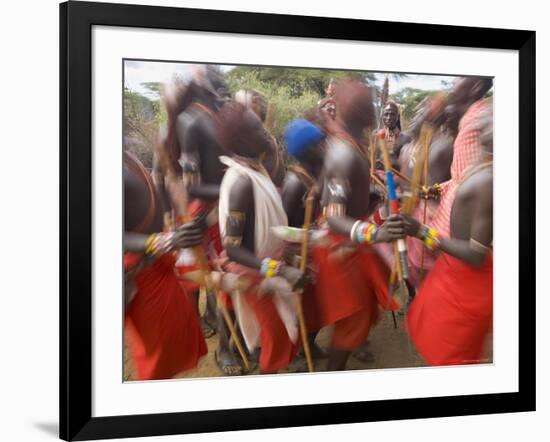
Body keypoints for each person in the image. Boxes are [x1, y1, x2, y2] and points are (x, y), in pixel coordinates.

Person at [313, 80, 405, 371]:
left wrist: (374, 195)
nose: (373, 113)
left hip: (351, 247)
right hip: (343, 252)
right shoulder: (342, 152)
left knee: (358, 319)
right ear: (358, 114)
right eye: (368, 108)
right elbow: (334, 216)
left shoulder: (352, 143)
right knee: (352, 323)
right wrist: (374, 232)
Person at [217, 102, 308, 374]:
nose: (267, 133)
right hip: (254, 275)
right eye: (258, 128)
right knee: (277, 338)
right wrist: (280, 269)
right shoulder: (241, 182)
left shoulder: (257, 169)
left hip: (267, 268)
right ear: (243, 140)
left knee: (284, 335)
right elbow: (232, 249)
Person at [403, 111, 493, 365]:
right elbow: (457, 182)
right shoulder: (480, 165)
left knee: (452, 354)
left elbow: (475, 254)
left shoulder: (489, 180)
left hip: (467, 281)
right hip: (453, 271)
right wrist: (432, 190)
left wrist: (422, 231)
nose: (484, 118)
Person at [124, 149, 207, 380]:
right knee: (156, 357)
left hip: (158, 266)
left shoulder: (126, 154)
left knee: (171, 342)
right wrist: (165, 240)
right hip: (140, 278)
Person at [378, 100, 411, 169]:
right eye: (386, 114)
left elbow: (408, 164)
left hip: (396, 178)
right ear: (382, 116)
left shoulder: (406, 138)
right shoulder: (375, 136)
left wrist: (393, 162)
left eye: (392, 114)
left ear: (397, 117)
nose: (389, 118)